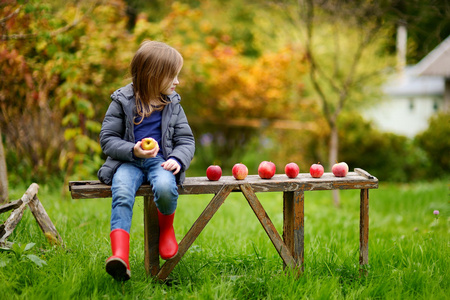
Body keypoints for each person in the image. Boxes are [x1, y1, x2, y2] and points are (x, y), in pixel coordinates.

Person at [97, 40, 195, 281]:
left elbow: (186, 140)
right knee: (121, 193)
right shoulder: (121, 101)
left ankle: (167, 229)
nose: (177, 82)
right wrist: (133, 150)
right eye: (173, 76)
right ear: (153, 76)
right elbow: (107, 139)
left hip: (160, 161)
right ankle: (120, 256)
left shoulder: (173, 104)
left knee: (164, 186)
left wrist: (177, 159)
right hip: (127, 162)